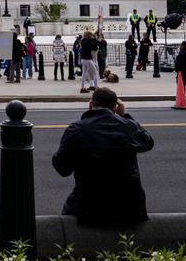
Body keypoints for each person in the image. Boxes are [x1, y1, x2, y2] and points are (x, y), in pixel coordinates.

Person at [52, 87, 154, 228]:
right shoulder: (129, 126)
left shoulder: (77, 129)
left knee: (65, 221)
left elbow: (62, 168)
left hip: (89, 207)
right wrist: (124, 116)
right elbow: (148, 142)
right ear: (115, 107)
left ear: (91, 104)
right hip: (130, 208)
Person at [79, 28, 100, 93]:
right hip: (88, 59)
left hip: (83, 59)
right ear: (89, 36)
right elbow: (95, 44)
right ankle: (96, 87)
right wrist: (98, 39)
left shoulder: (82, 41)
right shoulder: (88, 41)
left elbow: (90, 39)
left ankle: (82, 88)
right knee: (95, 72)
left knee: (84, 74)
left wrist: (95, 32)